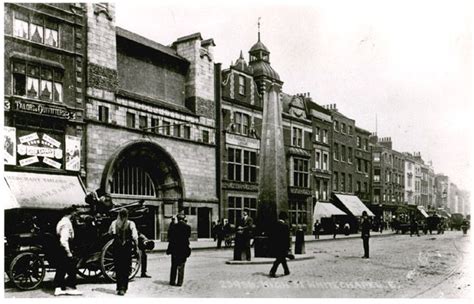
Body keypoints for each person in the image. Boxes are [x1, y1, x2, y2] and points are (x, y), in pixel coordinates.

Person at [109, 208, 138, 296]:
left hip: (117, 248)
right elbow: (135, 237)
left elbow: (110, 233)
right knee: (126, 268)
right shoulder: (131, 223)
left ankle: (118, 288)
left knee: (118, 268)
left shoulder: (114, 223)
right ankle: (123, 288)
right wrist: (136, 248)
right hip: (126, 248)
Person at [54, 207, 82, 296]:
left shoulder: (62, 221)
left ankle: (58, 288)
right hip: (64, 247)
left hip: (60, 248)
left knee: (61, 269)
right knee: (72, 268)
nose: (75, 215)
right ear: (71, 214)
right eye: (74, 214)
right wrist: (68, 252)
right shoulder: (66, 223)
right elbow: (63, 240)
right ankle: (71, 287)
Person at [167, 213, 191, 286]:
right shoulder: (187, 227)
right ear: (184, 219)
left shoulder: (173, 227)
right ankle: (179, 282)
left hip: (174, 249)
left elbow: (170, 238)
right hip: (183, 249)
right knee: (181, 266)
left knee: (174, 265)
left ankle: (172, 281)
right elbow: (188, 236)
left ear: (177, 219)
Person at [269, 212, 291, 278]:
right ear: (284, 218)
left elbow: (271, 235)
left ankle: (286, 271)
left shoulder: (274, 224)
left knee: (282, 258)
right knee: (279, 259)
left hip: (276, 245)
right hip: (283, 246)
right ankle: (272, 271)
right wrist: (288, 247)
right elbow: (287, 238)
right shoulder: (285, 226)